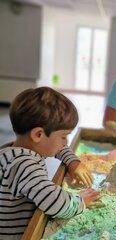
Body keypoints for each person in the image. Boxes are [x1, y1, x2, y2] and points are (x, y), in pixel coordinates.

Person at [0, 87, 99, 239]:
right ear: (38, 134)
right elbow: (53, 202)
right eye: (63, 136)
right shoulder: (26, 165)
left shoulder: (13, 150)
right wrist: (81, 201)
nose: (65, 143)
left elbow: (55, 147)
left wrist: (73, 162)